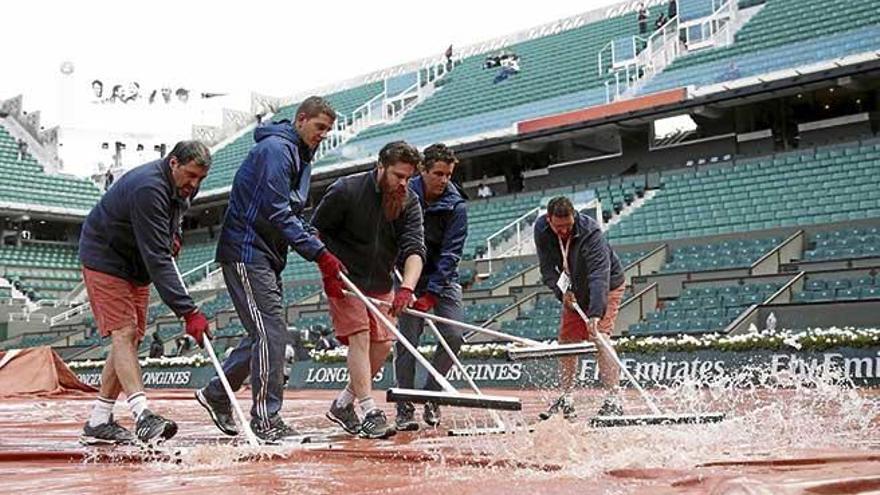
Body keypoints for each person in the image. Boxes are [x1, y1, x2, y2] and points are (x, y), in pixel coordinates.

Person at [195, 96, 343, 444]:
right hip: (248, 251)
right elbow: (278, 211)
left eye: (328, 130)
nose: (323, 134)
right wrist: (318, 253)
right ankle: (265, 419)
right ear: (301, 119)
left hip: (266, 254)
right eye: (319, 127)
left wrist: (312, 237)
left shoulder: (299, 155)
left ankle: (218, 393)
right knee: (272, 334)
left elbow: (291, 212)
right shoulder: (278, 150)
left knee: (263, 334)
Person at [78, 140, 213, 446]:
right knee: (123, 332)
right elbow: (157, 258)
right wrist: (188, 311)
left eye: (200, 179)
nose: (194, 184)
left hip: (134, 262)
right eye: (190, 175)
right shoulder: (148, 188)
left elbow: (174, 220)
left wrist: (174, 236)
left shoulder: (184, 186)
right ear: (173, 163)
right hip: (106, 257)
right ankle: (143, 415)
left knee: (133, 335)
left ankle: (98, 421)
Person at [312, 140, 426, 440]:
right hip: (345, 279)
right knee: (359, 337)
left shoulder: (409, 201)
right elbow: (313, 232)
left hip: (381, 281)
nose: (403, 183)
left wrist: (406, 286)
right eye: (397, 176)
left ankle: (343, 404)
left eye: (408, 178)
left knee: (384, 345)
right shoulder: (346, 190)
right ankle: (369, 410)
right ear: (381, 167)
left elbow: (415, 247)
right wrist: (327, 268)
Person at [393, 143, 467, 431]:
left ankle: (433, 394)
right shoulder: (402, 193)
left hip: (442, 278)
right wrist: (407, 286)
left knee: (454, 336)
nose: (444, 180)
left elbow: (452, 252)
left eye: (448, 174)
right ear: (422, 170)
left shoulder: (456, 205)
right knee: (408, 343)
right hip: (407, 278)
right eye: (438, 173)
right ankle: (405, 405)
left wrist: (432, 293)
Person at [534, 196, 626, 421]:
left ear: (574, 216)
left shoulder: (591, 233)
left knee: (600, 337)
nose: (564, 231)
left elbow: (598, 275)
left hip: (605, 286)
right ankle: (566, 397)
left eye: (568, 225)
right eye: (559, 227)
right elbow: (547, 269)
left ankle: (614, 399)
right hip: (573, 287)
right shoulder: (542, 229)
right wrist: (561, 294)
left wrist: (595, 313)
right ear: (549, 220)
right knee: (567, 342)